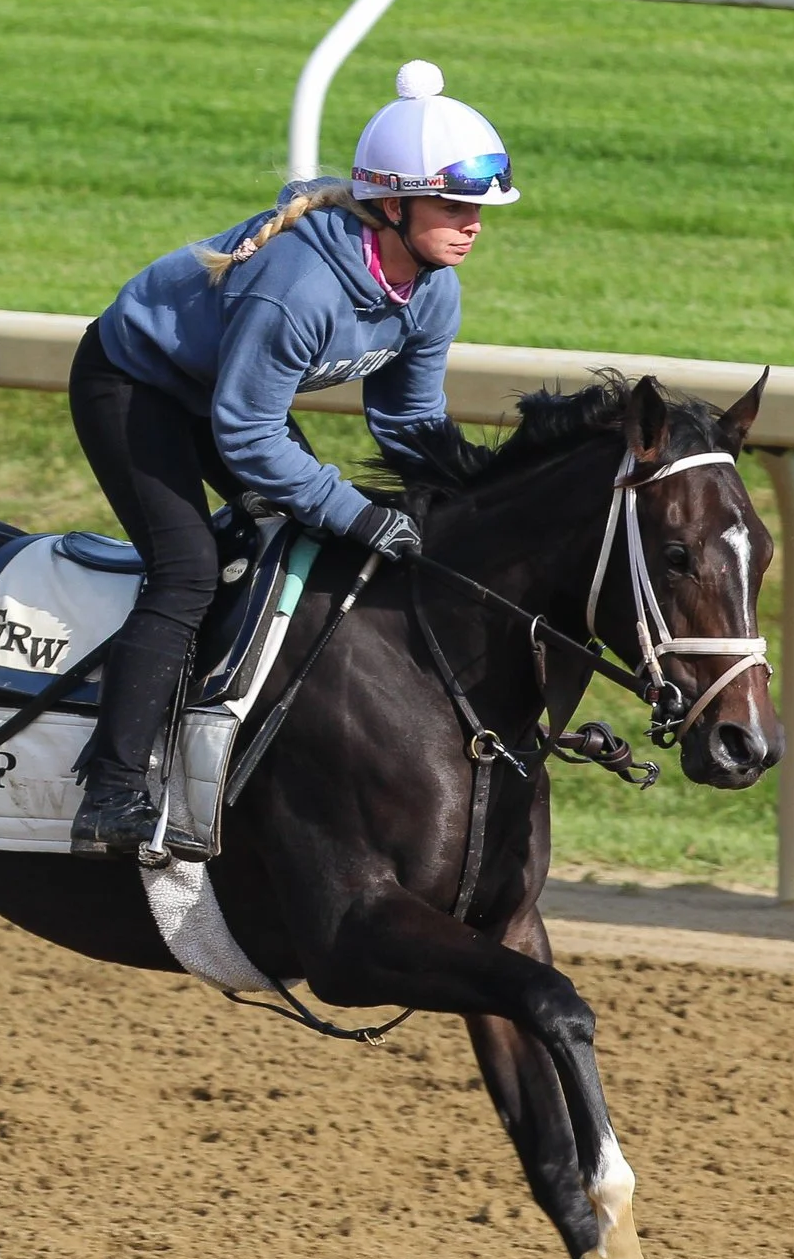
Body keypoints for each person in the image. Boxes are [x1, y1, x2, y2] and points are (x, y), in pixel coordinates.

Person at [66, 59, 519, 857]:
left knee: (306, 545)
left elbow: (409, 419)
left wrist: (477, 501)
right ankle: (111, 792)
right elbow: (249, 436)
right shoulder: (300, 287)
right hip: (133, 387)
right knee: (188, 569)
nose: (473, 222)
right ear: (393, 202)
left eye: (480, 206)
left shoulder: (433, 286)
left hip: (223, 399)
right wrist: (359, 511)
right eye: (455, 203)